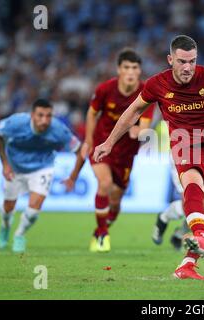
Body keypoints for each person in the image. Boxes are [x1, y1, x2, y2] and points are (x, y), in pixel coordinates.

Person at [93, 35, 204, 280]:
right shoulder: (158, 84)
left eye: (192, 61)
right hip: (185, 146)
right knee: (194, 183)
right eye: (182, 61)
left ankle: (187, 264)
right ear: (170, 60)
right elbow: (132, 111)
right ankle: (198, 235)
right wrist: (110, 142)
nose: (188, 67)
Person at [63, 48, 154, 253]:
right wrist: (88, 140)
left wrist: (134, 129)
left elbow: (144, 130)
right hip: (102, 145)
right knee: (104, 184)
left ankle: (101, 228)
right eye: (126, 67)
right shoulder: (105, 89)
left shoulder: (146, 93)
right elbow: (92, 112)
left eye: (135, 68)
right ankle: (103, 235)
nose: (130, 72)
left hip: (126, 154)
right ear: (119, 70)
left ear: (139, 71)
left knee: (115, 200)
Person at [0, 98, 81, 253]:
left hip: (42, 168)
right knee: (8, 208)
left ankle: (19, 234)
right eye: (40, 115)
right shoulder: (17, 123)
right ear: (32, 115)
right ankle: (5, 226)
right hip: (15, 167)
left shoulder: (58, 129)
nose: (44, 120)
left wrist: (73, 177)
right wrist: (5, 164)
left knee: (34, 211)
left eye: (48, 116)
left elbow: (80, 150)